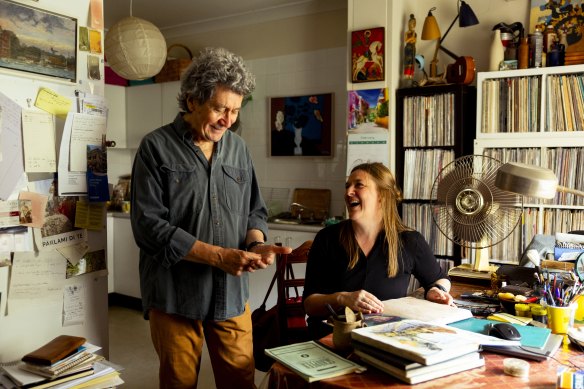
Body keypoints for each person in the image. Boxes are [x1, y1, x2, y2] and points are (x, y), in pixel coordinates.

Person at [130, 47, 291, 389]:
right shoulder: (155, 147)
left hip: (231, 295)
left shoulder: (238, 148)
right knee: (179, 383)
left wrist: (256, 243)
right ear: (191, 101)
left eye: (234, 110)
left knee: (239, 381)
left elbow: (254, 210)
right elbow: (148, 226)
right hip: (175, 297)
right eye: (220, 108)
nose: (228, 120)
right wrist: (219, 256)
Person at [303, 162, 453, 339]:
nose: (348, 192)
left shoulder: (409, 240)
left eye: (358, 185)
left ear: (382, 195)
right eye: (347, 186)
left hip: (386, 339)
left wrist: (436, 290)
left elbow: (440, 278)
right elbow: (309, 305)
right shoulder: (327, 238)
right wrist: (342, 298)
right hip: (333, 338)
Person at [404, 14, 417, 79]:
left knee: (412, 61)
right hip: (408, 48)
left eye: (413, 24)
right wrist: (412, 37)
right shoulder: (407, 33)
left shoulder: (415, 33)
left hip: (413, 48)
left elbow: (414, 41)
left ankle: (411, 74)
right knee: (408, 61)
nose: (411, 25)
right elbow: (406, 41)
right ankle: (407, 74)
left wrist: (412, 39)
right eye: (410, 24)